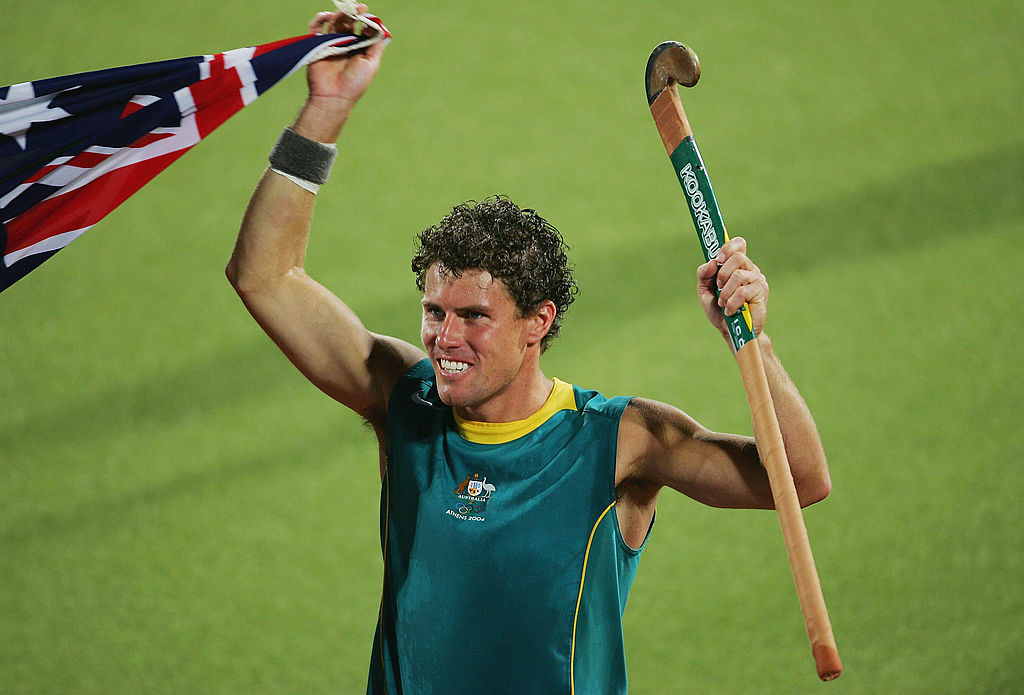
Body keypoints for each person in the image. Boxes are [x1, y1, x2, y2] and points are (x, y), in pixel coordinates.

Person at [226, 6, 831, 693]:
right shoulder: (404, 395)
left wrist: (752, 340)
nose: (444, 338)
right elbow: (265, 276)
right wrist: (326, 109)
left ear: (537, 321)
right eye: (434, 311)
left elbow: (801, 479)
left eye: (474, 317)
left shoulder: (618, 439)